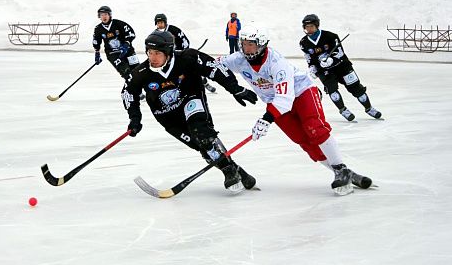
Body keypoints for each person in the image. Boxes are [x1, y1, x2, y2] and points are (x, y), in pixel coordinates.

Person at [219, 25, 373, 196]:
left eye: (251, 44)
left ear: (261, 44)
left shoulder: (276, 62)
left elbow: (284, 99)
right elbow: (214, 64)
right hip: (273, 101)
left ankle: (340, 168)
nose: (246, 48)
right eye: (244, 44)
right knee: (302, 140)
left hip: (301, 91)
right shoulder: (238, 59)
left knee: (314, 128)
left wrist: (265, 120)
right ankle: (343, 172)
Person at [122, 30, 259, 193]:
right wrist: (135, 119)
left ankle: (228, 171)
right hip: (167, 117)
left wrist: (234, 88)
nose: (152, 57)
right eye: (149, 52)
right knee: (201, 146)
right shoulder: (141, 73)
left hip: (191, 100)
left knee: (203, 135)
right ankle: (236, 169)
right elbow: (128, 93)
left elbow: (215, 69)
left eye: (157, 53)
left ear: (168, 52)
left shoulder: (188, 58)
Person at [299, 14, 382, 122]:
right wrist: (312, 68)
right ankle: (343, 110)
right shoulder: (303, 42)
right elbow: (309, 58)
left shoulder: (331, 36)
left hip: (342, 66)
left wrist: (331, 60)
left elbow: (340, 53)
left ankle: (369, 108)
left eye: (311, 26)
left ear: (317, 25)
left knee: (356, 88)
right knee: (332, 90)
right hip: (324, 70)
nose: (309, 29)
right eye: (307, 27)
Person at [154, 13, 216, 94]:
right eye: (158, 23)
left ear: (165, 22)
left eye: (161, 22)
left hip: (180, 53)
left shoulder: (173, 30)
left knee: (190, 69)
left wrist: (183, 52)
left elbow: (185, 41)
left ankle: (204, 83)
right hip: (170, 55)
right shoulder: (156, 33)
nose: (160, 25)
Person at [92, 5, 140, 79]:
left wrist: (126, 44)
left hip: (127, 50)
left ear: (109, 15)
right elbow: (96, 41)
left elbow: (130, 34)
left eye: (105, 14)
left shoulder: (119, 24)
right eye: (101, 15)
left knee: (138, 71)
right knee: (125, 72)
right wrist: (97, 53)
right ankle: (131, 88)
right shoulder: (98, 29)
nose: (104, 17)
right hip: (113, 54)